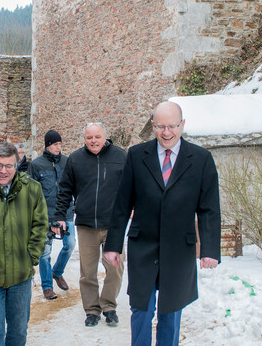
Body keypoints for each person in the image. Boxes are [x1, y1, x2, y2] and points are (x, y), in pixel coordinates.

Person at [104, 101, 221, 346]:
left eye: (172, 126)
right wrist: (113, 245)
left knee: (171, 310)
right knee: (141, 310)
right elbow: (122, 204)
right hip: (143, 245)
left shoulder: (201, 159)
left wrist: (209, 250)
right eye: (160, 127)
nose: (166, 133)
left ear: (182, 125)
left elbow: (209, 209)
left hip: (179, 249)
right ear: (153, 126)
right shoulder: (137, 155)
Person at [54, 122, 127, 327]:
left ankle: (109, 306)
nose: (93, 141)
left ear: (105, 136)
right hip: (86, 225)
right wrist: (60, 215)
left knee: (115, 269)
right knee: (87, 271)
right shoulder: (75, 159)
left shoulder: (121, 157)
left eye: (97, 137)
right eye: (89, 138)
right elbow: (65, 189)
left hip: (114, 225)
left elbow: (131, 186)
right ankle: (92, 310)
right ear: (84, 139)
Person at [0, 142, 48, 346]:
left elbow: (40, 225)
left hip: (21, 275)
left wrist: (31, 256)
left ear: (17, 165)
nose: (3, 171)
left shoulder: (32, 189)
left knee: (18, 332)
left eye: (8, 165)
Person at [27, 130, 76, 300]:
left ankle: (58, 272)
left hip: (66, 211)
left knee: (70, 245)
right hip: (45, 215)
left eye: (60, 144)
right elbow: (30, 191)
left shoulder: (67, 161)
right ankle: (47, 286)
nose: (59, 147)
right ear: (48, 145)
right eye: (55, 144)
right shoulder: (36, 165)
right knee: (45, 253)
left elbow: (73, 185)